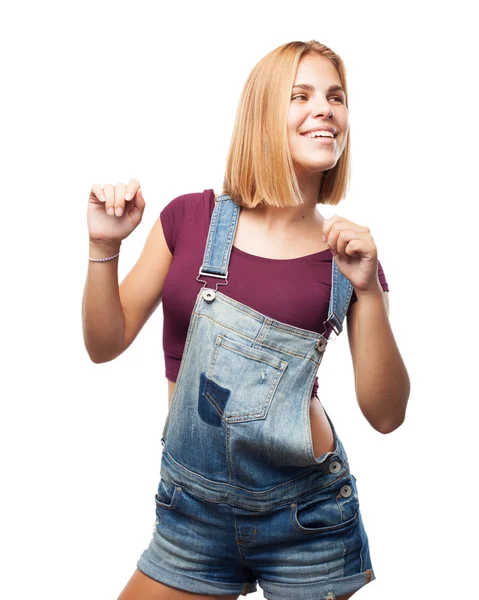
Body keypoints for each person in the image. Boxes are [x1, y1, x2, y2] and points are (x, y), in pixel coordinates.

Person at [83, 39, 409, 600]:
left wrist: (369, 294)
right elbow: (104, 343)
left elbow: (387, 415)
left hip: (306, 521)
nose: (325, 109)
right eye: (300, 95)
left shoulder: (348, 257)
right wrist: (102, 247)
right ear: (262, 114)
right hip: (192, 514)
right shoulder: (191, 219)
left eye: (335, 97)